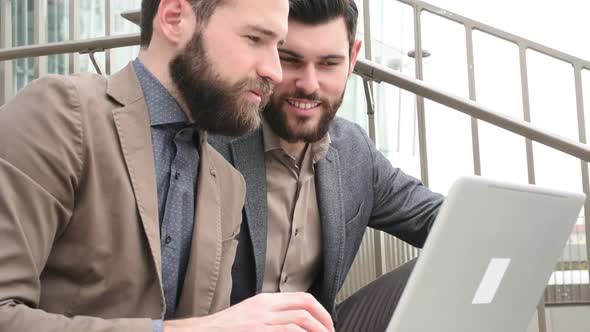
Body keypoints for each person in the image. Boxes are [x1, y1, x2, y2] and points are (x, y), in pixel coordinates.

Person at [0, 0, 335, 331]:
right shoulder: (60, 114)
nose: (274, 71)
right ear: (174, 18)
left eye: (277, 46)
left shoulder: (227, 184)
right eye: (255, 39)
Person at [209, 0, 445, 331]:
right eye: (290, 60)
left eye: (328, 63)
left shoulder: (353, 151)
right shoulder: (210, 141)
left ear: (352, 58)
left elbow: (438, 218)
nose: (308, 84)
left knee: (450, 262)